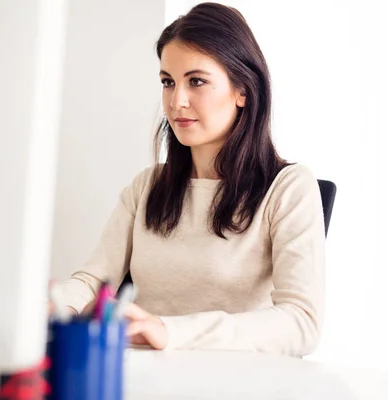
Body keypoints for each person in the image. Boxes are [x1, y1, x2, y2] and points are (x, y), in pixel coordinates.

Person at [55, 2, 325, 357]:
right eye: (168, 82)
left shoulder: (289, 189)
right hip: (145, 376)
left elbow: (301, 322)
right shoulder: (146, 186)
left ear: (242, 89)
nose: (177, 101)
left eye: (196, 81)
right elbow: (92, 281)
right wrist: (59, 307)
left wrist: (170, 331)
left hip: (239, 384)